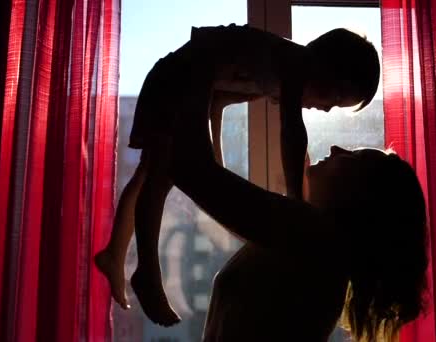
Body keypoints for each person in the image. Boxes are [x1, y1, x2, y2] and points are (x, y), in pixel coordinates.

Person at [94, 23, 381, 326]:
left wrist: (214, 153)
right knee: (159, 175)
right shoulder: (290, 63)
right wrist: (297, 201)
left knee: (147, 173)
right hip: (175, 80)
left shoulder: (267, 76)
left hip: (174, 78)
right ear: (319, 62)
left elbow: (219, 97)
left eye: (334, 106)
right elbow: (292, 135)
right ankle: (147, 270)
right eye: (330, 95)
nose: (324, 109)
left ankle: (115, 253)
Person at [168, 84, 429, 341]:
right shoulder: (320, 251)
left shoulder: (315, 236)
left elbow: (200, 178)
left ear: (362, 196)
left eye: (352, 158)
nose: (337, 149)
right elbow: (221, 193)